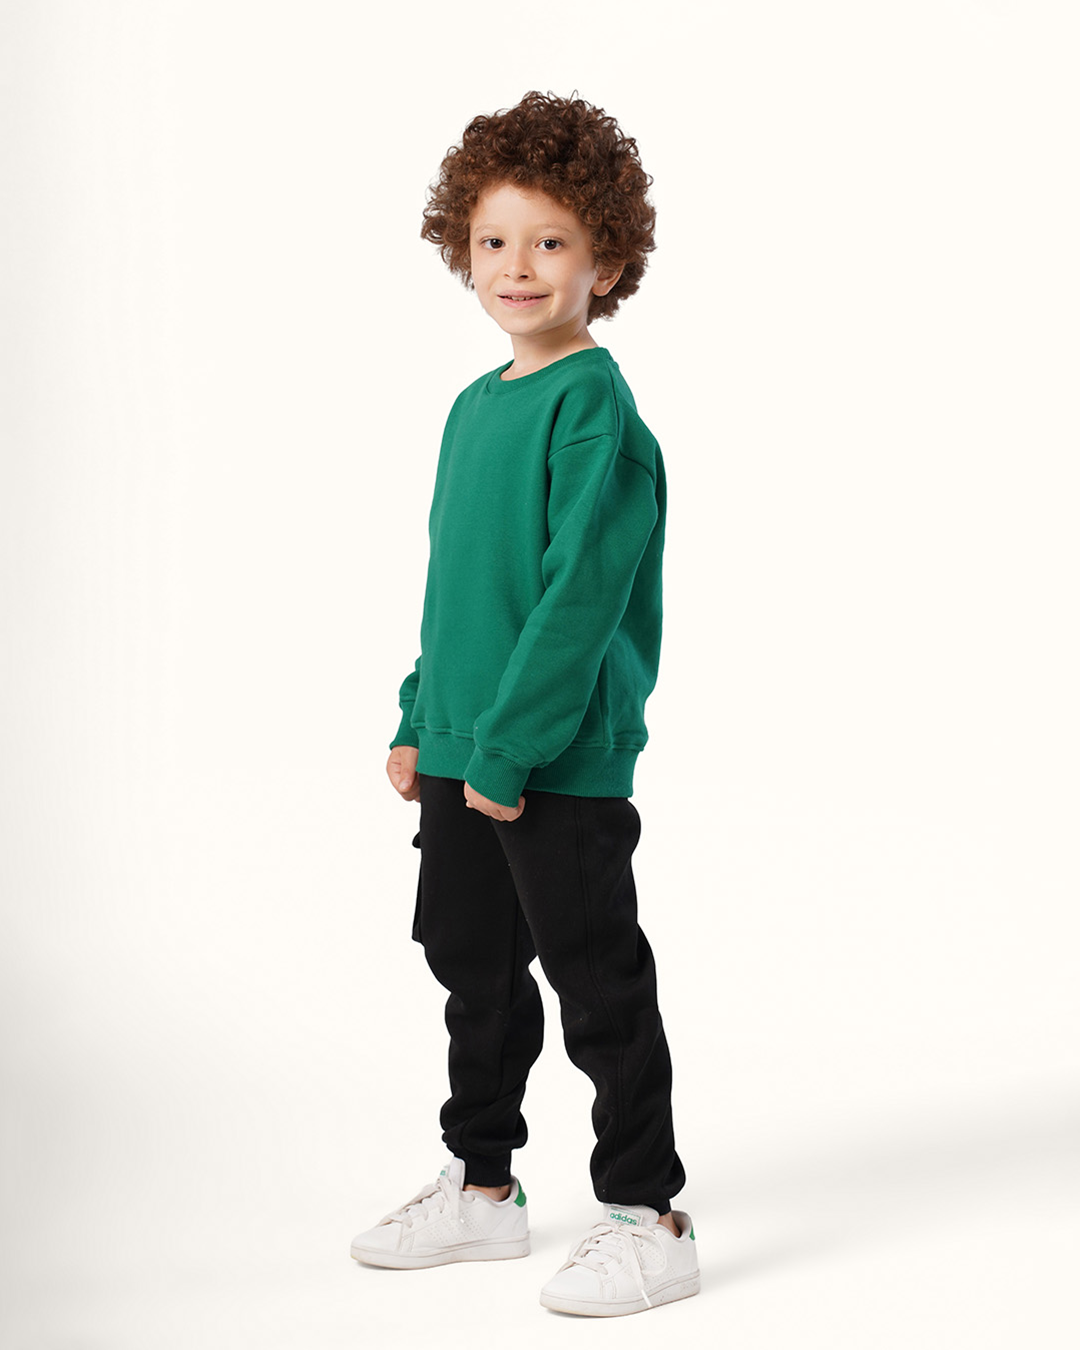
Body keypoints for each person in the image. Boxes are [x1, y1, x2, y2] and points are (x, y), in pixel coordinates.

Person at [349, 90, 698, 1318]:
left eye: (551, 241)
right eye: (495, 239)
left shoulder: (594, 407)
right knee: (475, 973)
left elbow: (578, 598)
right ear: (463, 247)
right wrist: (421, 715)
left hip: (553, 760)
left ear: (608, 258)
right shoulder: (474, 405)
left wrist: (506, 746)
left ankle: (648, 1213)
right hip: (466, 747)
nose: (519, 266)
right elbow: (460, 586)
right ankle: (484, 1188)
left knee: (597, 985)